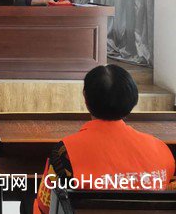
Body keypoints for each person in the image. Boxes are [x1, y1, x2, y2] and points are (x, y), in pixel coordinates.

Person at [27, 65, 176, 214]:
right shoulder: (162, 151)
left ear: (86, 98)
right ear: (132, 100)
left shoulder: (65, 152)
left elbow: (45, 207)